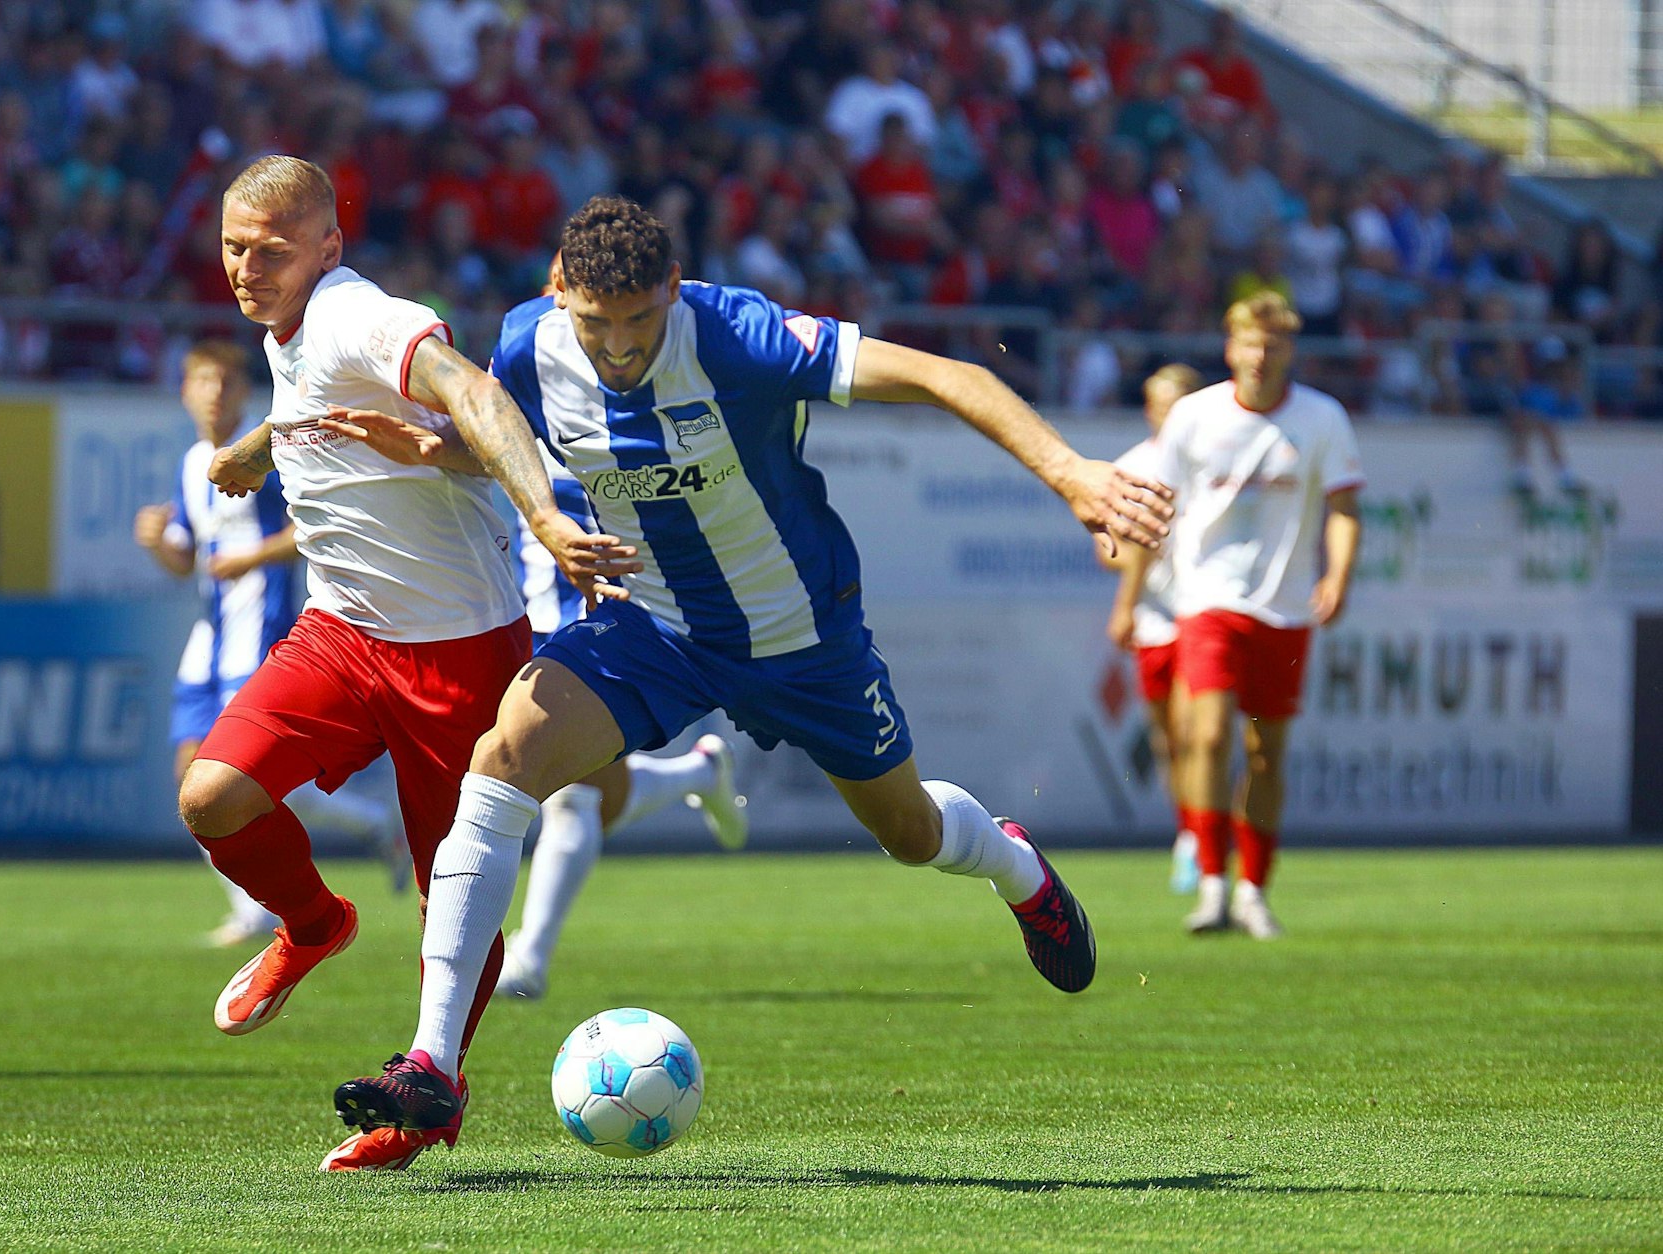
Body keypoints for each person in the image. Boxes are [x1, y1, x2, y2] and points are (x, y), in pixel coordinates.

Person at [321, 195, 1173, 1169]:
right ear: (559, 296)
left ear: (673, 294)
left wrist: (1070, 474)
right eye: (595, 326)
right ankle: (431, 1063)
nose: (618, 349)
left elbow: (947, 375)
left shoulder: (739, 336)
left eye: (639, 323)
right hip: (652, 624)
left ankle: (1014, 867)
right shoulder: (526, 344)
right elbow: (507, 434)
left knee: (908, 833)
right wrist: (438, 450)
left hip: (798, 634)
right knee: (503, 757)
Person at [179, 157, 625, 1167]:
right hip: (339, 636)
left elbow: (470, 391)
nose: (248, 269)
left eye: (273, 252)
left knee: (452, 902)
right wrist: (257, 447)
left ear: (330, 249)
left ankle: (431, 1097)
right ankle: (311, 922)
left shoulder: (356, 316)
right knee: (211, 798)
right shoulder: (293, 326)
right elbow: (310, 392)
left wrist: (544, 516)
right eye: (233, 248)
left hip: (459, 652)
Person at [492, 251, 747, 1004]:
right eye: (566, 296)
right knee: (561, 786)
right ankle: (699, 773)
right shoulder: (513, 385)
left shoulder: (647, 390)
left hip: (611, 615)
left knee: (569, 793)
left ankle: (529, 960)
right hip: (522, 616)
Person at [134, 340, 407, 947]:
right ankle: (258, 905)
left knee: (242, 779)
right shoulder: (192, 463)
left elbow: (309, 529)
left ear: (243, 390)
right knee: (192, 780)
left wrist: (253, 555)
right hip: (209, 640)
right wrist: (159, 543)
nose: (214, 393)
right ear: (184, 392)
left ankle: (370, 826)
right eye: (203, 381)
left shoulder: (271, 455)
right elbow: (187, 562)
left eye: (226, 382)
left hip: (262, 634)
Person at [1153, 293, 1363, 939]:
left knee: (1266, 753)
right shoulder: (1193, 416)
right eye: (1250, 342)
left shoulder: (1322, 418)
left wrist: (1338, 576)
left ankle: (1253, 890)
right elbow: (1160, 501)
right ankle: (1212, 885)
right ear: (1231, 348)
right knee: (1210, 735)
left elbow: (1346, 506)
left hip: (1285, 605)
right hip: (1208, 600)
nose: (1261, 355)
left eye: (1273, 344)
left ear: (1289, 351)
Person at [1103, 363, 1203, 894]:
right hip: (1155, 619)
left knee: (1198, 732)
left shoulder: (1211, 461)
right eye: (1161, 401)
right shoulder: (1132, 468)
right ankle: (1190, 829)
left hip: (1204, 611)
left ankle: (1200, 840)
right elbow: (1105, 545)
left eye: (1179, 400)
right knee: (1168, 739)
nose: (1169, 411)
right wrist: (1139, 561)